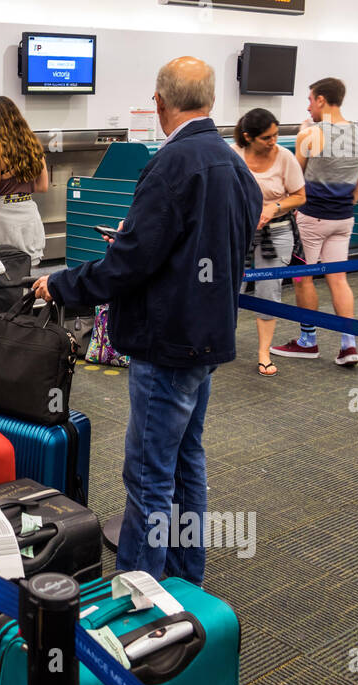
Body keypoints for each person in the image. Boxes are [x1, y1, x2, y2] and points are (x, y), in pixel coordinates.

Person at [33, 57, 259, 585]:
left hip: (167, 343)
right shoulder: (233, 164)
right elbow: (219, 245)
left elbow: (131, 263)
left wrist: (63, 283)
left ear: (160, 102)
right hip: (208, 338)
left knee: (148, 474)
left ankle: (139, 593)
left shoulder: (172, 164)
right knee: (186, 464)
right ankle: (184, 579)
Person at [270, 77, 358, 366]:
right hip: (344, 220)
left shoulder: (310, 135)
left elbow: (295, 180)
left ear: (322, 100)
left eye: (311, 99)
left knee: (304, 278)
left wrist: (304, 133)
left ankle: (308, 341)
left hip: (312, 219)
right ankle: (348, 344)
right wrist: (342, 206)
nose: (308, 105)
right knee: (338, 279)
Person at [232, 108, 306, 377]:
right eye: (267, 137)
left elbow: (299, 196)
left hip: (276, 233)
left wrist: (274, 207)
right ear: (248, 137)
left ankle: (264, 352)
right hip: (239, 231)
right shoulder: (233, 154)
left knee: (269, 290)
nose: (273, 141)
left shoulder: (285, 158)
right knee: (230, 287)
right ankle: (222, 342)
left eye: (275, 135)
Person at [0, 95, 49, 265]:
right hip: (29, 213)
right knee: (30, 269)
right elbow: (42, 186)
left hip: (5, 218)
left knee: (8, 270)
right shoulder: (32, 144)